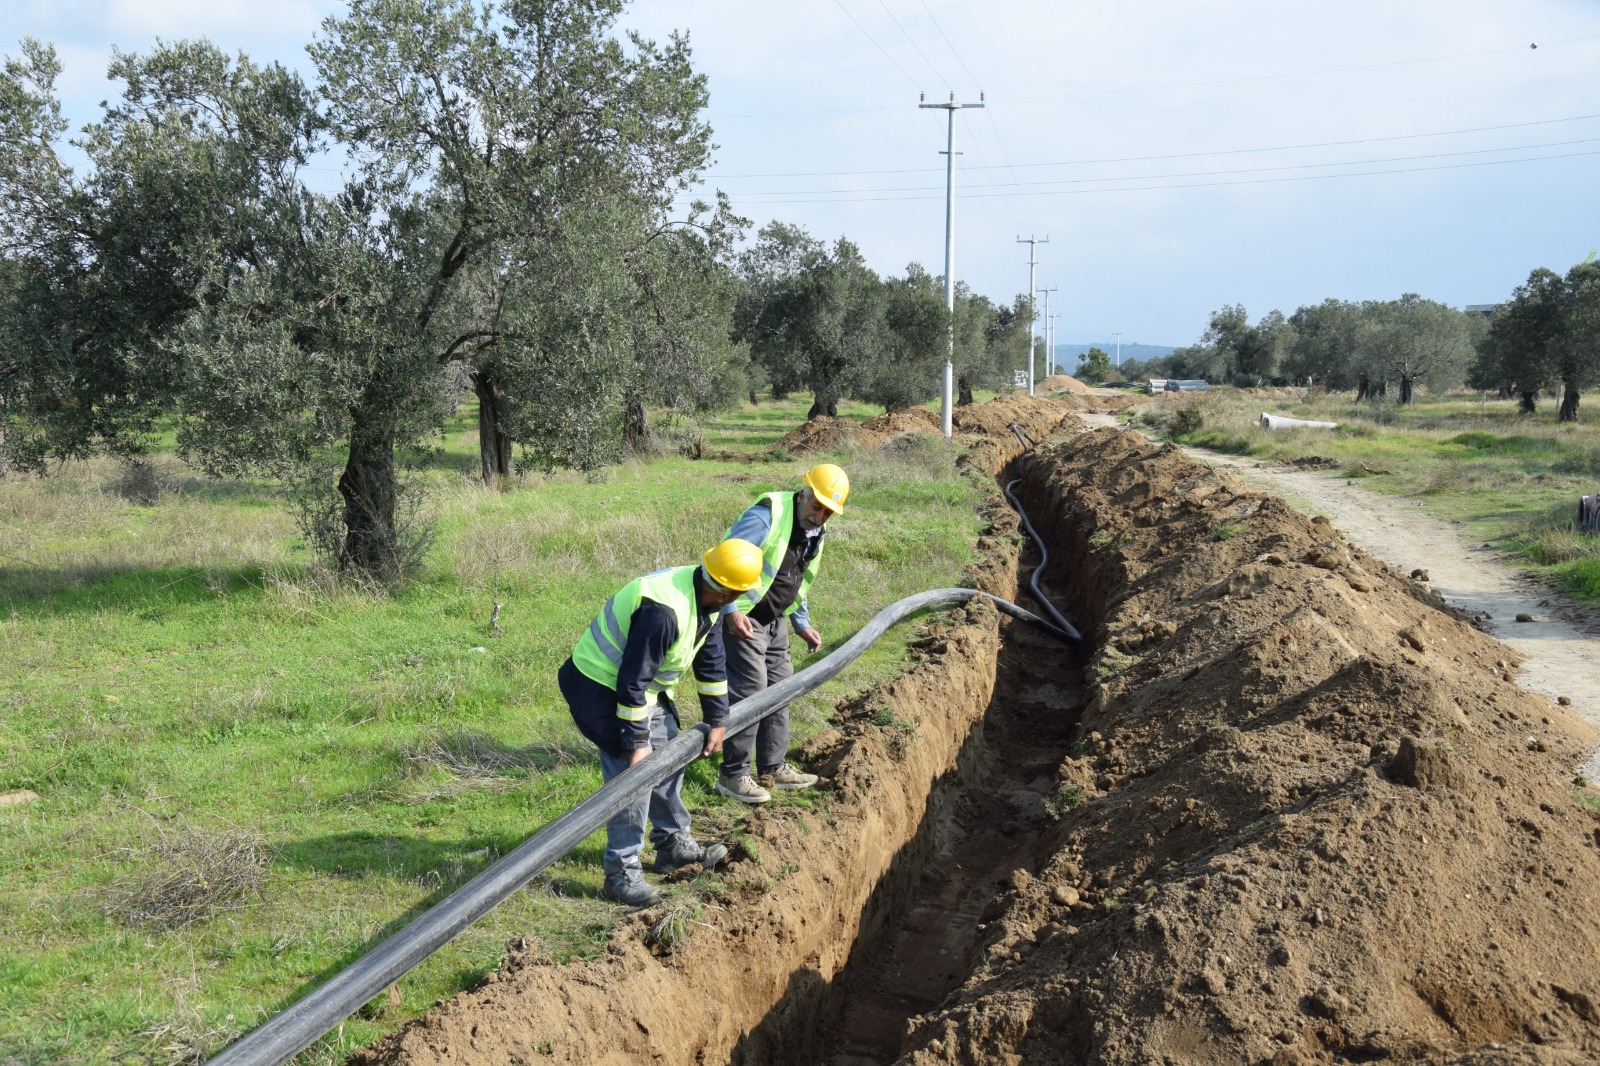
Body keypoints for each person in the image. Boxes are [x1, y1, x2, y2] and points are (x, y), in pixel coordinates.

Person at [559, 539, 765, 906]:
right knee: (632, 777)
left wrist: (718, 719)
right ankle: (622, 872)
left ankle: (671, 843)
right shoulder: (665, 612)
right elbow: (631, 683)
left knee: (669, 753)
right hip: (599, 685)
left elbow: (712, 660)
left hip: (637, 687)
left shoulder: (709, 597)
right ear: (727, 589)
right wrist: (637, 743)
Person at [715, 463, 849, 805]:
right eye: (816, 506)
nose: (820, 516)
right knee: (751, 690)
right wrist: (729, 610)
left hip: (775, 620)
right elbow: (725, 559)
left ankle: (773, 768)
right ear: (802, 493)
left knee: (782, 686)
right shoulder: (767, 516)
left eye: (828, 511)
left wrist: (800, 623)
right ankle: (732, 775)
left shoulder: (816, 531)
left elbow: (797, 577)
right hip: (745, 617)